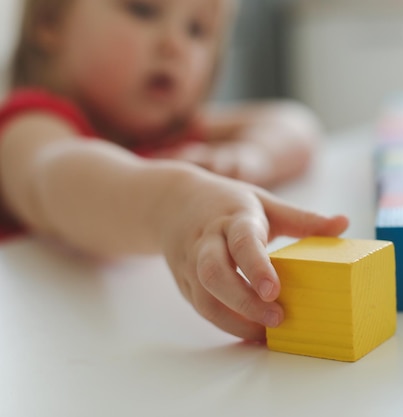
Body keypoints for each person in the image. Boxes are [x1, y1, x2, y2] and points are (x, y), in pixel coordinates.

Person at [0, 0, 349, 342]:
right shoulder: (27, 124)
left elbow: (295, 122)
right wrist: (175, 203)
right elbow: (56, 177)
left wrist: (252, 157)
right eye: (143, 10)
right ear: (49, 20)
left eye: (196, 29)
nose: (175, 44)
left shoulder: (172, 136)